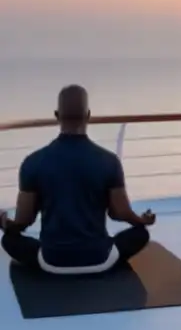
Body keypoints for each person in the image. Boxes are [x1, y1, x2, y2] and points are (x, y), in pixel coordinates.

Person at [0, 85, 155, 274]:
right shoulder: (109, 161)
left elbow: (24, 221)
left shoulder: (33, 162)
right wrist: (142, 220)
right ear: (88, 115)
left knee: (9, 240)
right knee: (140, 235)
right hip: (100, 258)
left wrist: (6, 223)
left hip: (52, 260)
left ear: (57, 115)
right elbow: (120, 213)